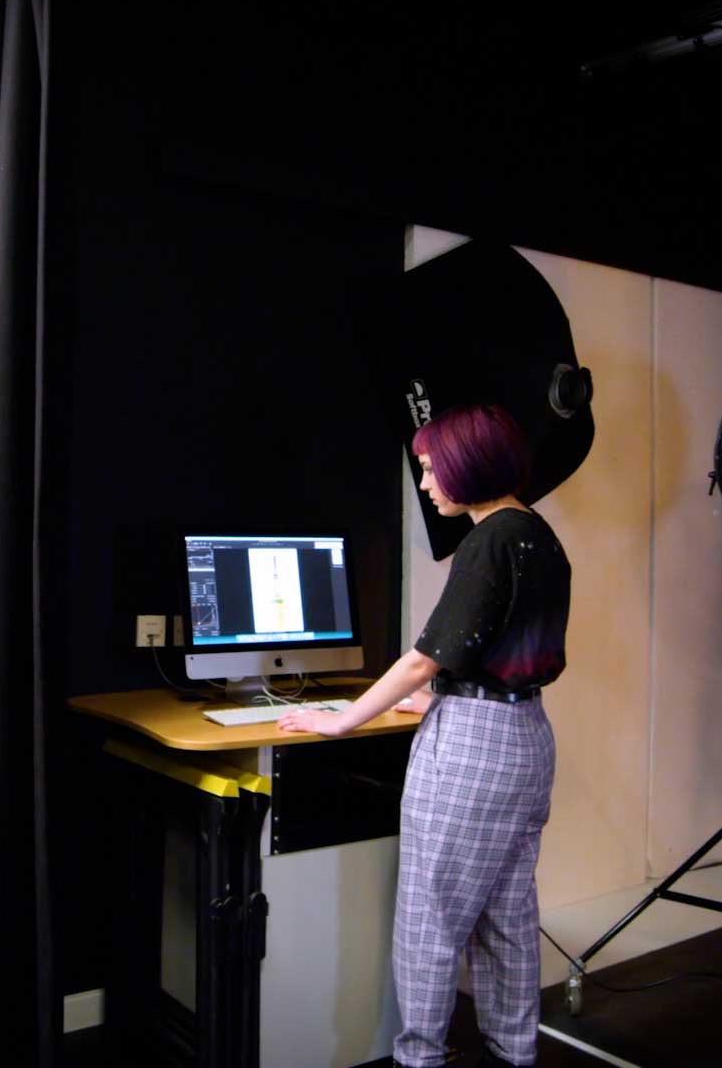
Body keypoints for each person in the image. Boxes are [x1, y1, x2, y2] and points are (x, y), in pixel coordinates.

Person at [279, 403, 571, 1068]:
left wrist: (342, 718)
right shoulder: (539, 535)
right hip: (525, 735)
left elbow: (423, 657)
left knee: (429, 922)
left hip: (472, 748)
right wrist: (438, 702)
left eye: (433, 468)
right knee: (508, 917)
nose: (428, 481)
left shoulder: (488, 539)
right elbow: (499, 654)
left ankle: (419, 1061)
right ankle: (514, 1052)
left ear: (470, 467)